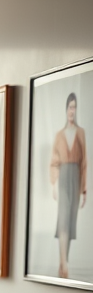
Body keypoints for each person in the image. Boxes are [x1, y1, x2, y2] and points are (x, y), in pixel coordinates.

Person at [50, 92, 87, 279]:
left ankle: (63, 262)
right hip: (63, 176)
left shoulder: (81, 133)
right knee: (63, 219)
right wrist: (54, 183)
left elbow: (84, 162)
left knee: (70, 221)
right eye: (69, 107)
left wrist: (84, 190)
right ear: (66, 109)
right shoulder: (59, 135)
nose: (71, 110)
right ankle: (64, 263)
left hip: (76, 176)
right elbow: (54, 162)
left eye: (74, 107)